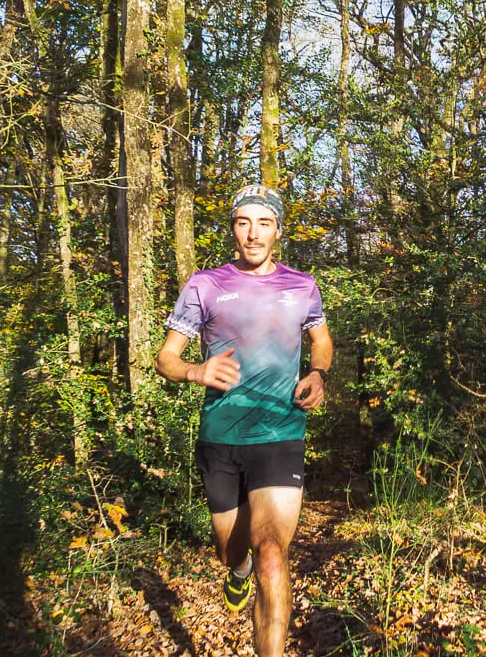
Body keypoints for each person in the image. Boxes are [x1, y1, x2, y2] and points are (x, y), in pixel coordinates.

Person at [155, 184, 332, 657]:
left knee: (272, 555)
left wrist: (318, 373)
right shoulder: (205, 285)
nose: (253, 234)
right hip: (222, 436)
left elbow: (321, 340)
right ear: (233, 228)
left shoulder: (302, 286)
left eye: (264, 223)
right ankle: (237, 570)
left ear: (278, 230)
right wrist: (195, 370)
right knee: (233, 552)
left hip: (281, 432)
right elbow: (165, 358)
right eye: (243, 223)